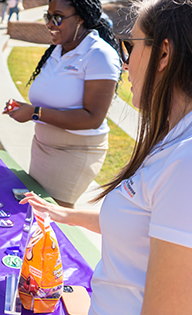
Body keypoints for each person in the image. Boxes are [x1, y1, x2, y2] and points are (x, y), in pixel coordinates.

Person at [21, 0, 192, 313]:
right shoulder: (172, 138)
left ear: (163, 54)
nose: (124, 63)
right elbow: (140, 221)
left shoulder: (186, 163)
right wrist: (64, 214)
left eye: (131, 46)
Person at [4, 0, 121, 208]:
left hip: (74, 152)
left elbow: (93, 118)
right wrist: (25, 108)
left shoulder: (99, 55)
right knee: (35, 214)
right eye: (48, 17)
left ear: (80, 17)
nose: (50, 24)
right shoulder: (57, 50)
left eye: (57, 17)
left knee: (50, 219)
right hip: (42, 148)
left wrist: (35, 113)